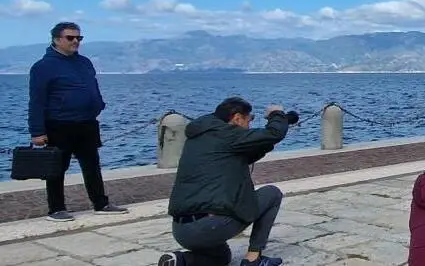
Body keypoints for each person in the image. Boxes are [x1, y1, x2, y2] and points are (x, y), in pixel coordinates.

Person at [159, 97, 291, 266]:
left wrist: (270, 137)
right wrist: (276, 114)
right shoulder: (229, 135)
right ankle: (253, 260)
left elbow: (246, 153)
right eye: (249, 119)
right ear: (237, 118)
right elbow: (274, 133)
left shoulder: (201, 136)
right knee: (272, 194)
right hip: (210, 225)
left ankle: (179, 261)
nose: (249, 125)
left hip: (181, 231)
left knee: (221, 257)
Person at [28, 21, 128, 222]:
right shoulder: (43, 67)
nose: (76, 41)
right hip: (59, 124)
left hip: (87, 123)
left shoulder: (84, 62)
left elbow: (93, 86)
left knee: (92, 165)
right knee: (57, 168)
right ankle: (56, 209)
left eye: (79, 38)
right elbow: (37, 101)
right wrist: (37, 132)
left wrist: (98, 104)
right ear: (57, 39)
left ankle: (101, 203)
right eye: (70, 38)